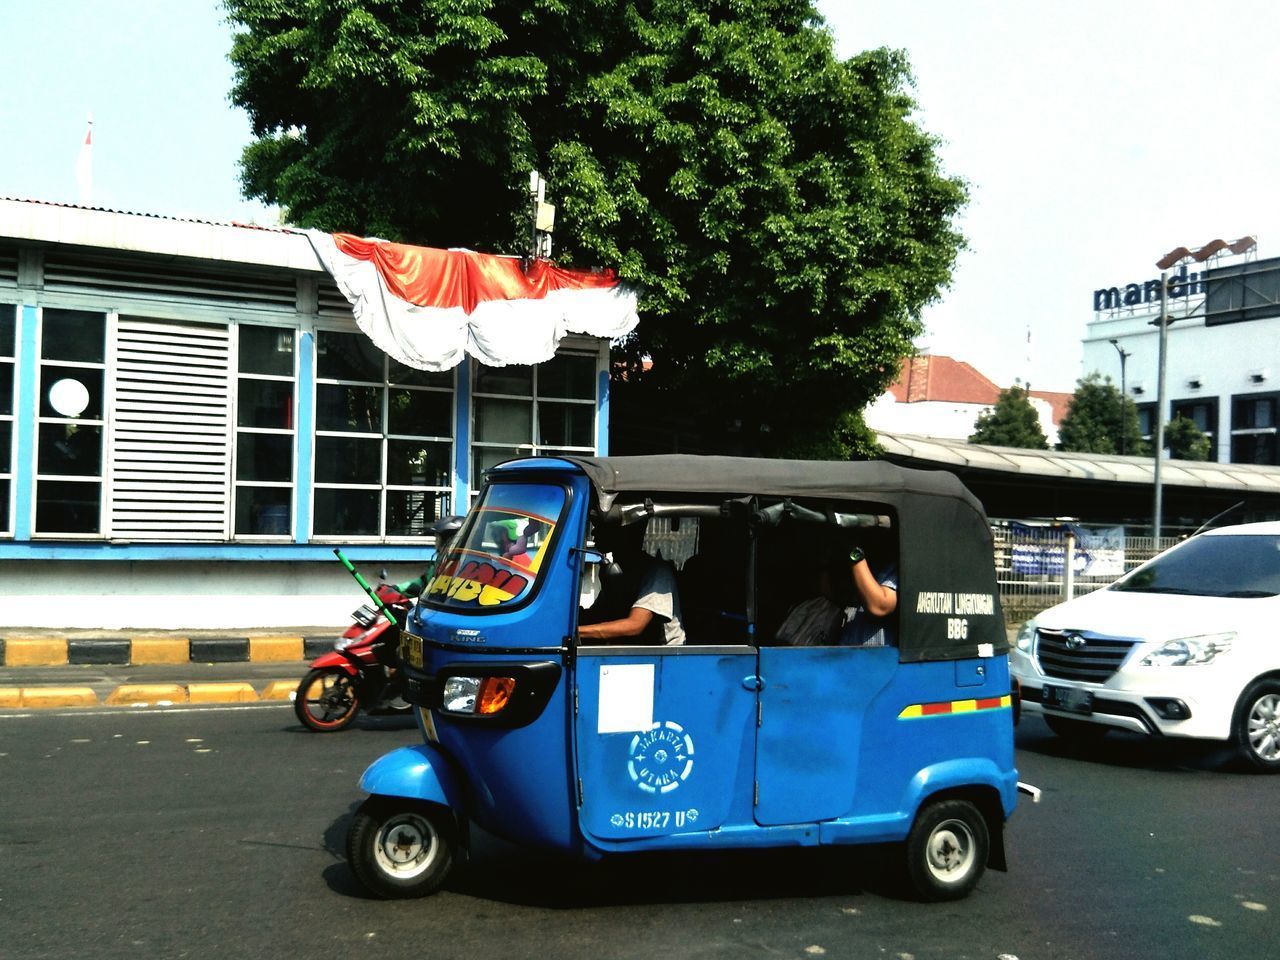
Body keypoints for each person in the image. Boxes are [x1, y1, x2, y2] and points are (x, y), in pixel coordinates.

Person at [577, 522, 686, 645]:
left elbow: (634, 626)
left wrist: (576, 633)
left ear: (623, 533)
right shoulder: (621, 574)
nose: (593, 533)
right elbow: (597, 615)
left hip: (662, 658)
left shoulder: (658, 572)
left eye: (602, 527)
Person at [840, 540, 898, 647]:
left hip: (880, 659)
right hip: (846, 655)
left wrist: (853, 551)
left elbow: (880, 605)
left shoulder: (898, 564)